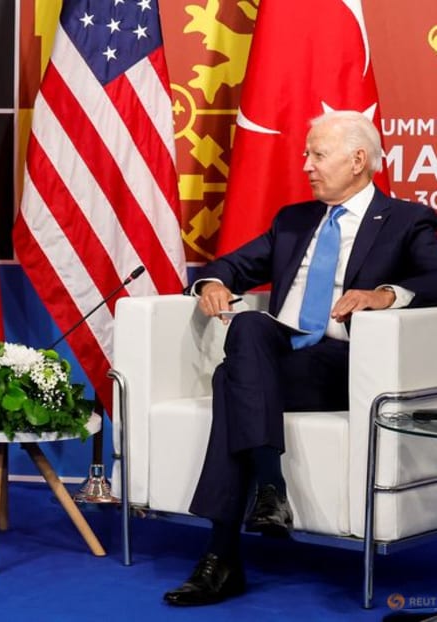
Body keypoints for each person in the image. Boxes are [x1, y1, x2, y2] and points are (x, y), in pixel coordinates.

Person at [163, 110, 437, 606]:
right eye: (306, 154)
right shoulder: (293, 221)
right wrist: (215, 282)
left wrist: (386, 294)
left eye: (317, 154)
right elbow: (230, 264)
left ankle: (223, 553)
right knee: (246, 331)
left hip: (344, 363)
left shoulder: (407, 220)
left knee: (233, 378)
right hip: (279, 359)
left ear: (358, 161)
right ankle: (269, 492)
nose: (306, 165)